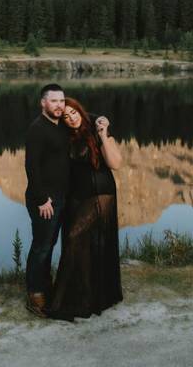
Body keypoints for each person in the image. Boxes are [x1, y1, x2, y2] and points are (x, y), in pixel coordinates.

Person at [47, 96, 123, 321]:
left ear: (80, 110)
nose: (71, 119)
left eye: (74, 113)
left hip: (100, 194)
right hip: (77, 197)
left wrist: (103, 135)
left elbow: (116, 164)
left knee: (74, 237)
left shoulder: (96, 126)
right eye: (66, 116)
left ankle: (71, 301)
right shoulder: (64, 136)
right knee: (84, 247)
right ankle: (87, 297)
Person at [23, 83, 70, 317]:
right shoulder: (37, 129)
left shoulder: (61, 126)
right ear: (43, 103)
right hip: (44, 200)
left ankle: (45, 286)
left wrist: (101, 119)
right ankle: (35, 295)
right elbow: (32, 167)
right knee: (41, 246)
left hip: (60, 197)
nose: (59, 105)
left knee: (49, 244)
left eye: (62, 101)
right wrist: (42, 199)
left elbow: (84, 118)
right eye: (54, 101)